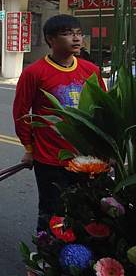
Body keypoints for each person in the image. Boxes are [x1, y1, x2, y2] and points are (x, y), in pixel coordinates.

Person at [13, 14, 105, 232]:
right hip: (50, 158)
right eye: (67, 34)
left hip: (86, 157)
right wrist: (28, 148)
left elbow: (102, 110)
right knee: (52, 209)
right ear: (51, 40)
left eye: (78, 33)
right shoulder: (34, 73)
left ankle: (81, 257)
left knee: (87, 209)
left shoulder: (90, 70)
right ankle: (46, 256)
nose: (76, 39)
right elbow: (21, 113)